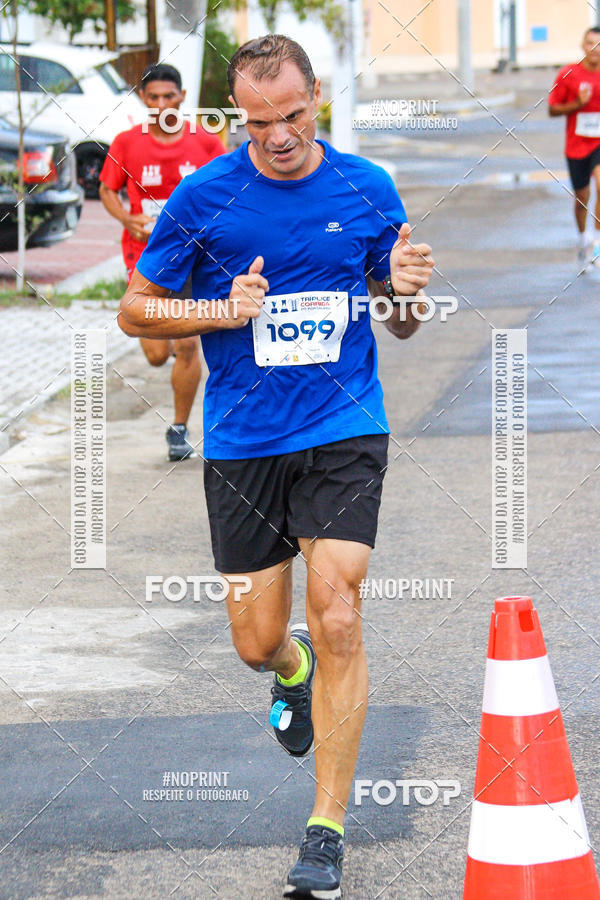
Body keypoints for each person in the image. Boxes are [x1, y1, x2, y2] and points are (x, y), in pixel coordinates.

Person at [117, 35, 434, 899]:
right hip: (247, 440)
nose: (280, 135)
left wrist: (403, 290)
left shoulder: (366, 186)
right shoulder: (206, 195)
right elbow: (135, 311)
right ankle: (287, 675)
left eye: (292, 115)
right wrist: (220, 309)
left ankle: (326, 828)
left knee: (339, 613)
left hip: (343, 425)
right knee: (260, 641)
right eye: (260, 122)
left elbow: (397, 319)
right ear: (236, 116)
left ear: (317, 97)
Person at [99, 62, 225, 460]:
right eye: (152, 97)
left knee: (188, 344)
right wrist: (127, 219)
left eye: (169, 96)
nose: (161, 104)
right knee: (156, 354)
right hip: (146, 259)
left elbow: (231, 187)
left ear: (182, 98)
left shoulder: (204, 143)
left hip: (194, 261)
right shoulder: (126, 143)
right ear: (143, 100)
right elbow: (106, 189)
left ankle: (180, 428)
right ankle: (170, 346)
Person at [549, 26, 600, 268]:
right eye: (591, 43)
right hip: (577, 146)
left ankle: (598, 242)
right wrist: (577, 104)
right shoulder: (568, 74)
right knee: (582, 196)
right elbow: (552, 109)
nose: (595, 49)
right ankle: (583, 239)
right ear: (583, 45)